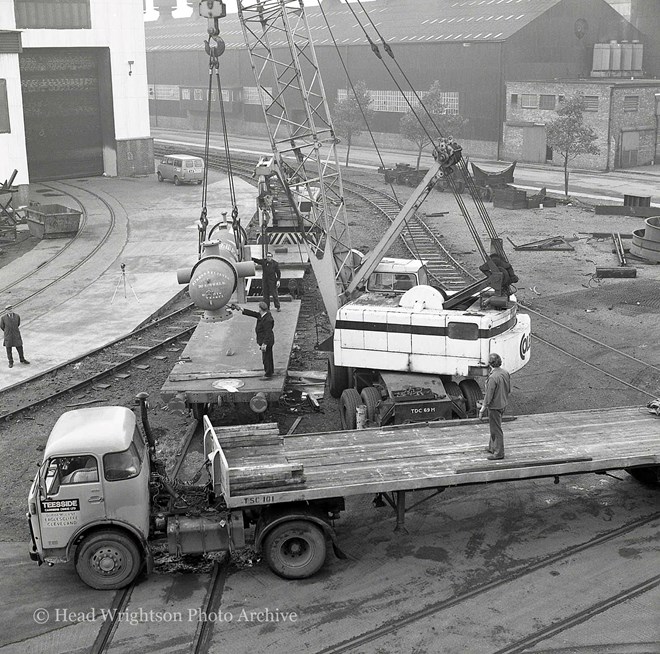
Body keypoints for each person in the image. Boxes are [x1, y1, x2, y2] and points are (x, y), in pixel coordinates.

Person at [478, 352, 511, 460]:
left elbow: (489, 395)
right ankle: (492, 447)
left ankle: (499, 453)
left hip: (495, 406)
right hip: (503, 403)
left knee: (496, 429)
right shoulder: (505, 373)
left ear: (490, 364)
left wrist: (482, 409)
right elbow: (508, 389)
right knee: (495, 427)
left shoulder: (493, 378)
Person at [231, 301, 275, 378]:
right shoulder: (263, 315)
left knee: (266, 358)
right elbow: (252, 313)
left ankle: (268, 374)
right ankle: (270, 371)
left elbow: (268, 333)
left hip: (266, 341)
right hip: (266, 340)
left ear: (261, 309)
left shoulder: (267, 320)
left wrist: (264, 343)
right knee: (268, 356)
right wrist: (240, 309)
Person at [1, 304, 30, 369]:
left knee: (20, 348)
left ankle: (22, 359)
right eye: (8, 310)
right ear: (6, 311)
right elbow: (2, 327)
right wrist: (7, 332)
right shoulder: (3, 318)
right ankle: (10, 362)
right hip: (8, 336)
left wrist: (14, 330)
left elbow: (18, 324)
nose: (10, 310)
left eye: (11, 309)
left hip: (16, 334)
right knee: (9, 350)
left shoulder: (17, 316)